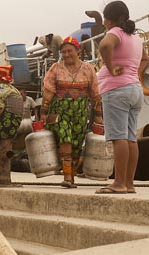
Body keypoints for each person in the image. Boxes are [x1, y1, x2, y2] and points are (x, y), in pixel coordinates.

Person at [96, 1, 147, 194]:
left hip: (117, 90)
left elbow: (104, 46)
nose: (104, 24)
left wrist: (110, 67)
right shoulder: (135, 36)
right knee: (131, 138)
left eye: (104, 20)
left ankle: (118, 183)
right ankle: (129, 183)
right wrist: (136, 74)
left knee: (119, 138)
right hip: (135, 89)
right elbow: (145, 58)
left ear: (109, 19)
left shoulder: (115, 32)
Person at [40, 36, 103, 188]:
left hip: (81, 112)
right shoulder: (56, 68)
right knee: (65, 137)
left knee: (76, 143)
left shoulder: (88, 69)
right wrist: (43, 114)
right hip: (60, 112)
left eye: (70, 51)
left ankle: (72, 176)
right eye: (64, 52)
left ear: (78, 51)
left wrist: (99, 117)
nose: (66, 54)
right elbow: (48, 92)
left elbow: (95, 94)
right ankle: (67, 176)